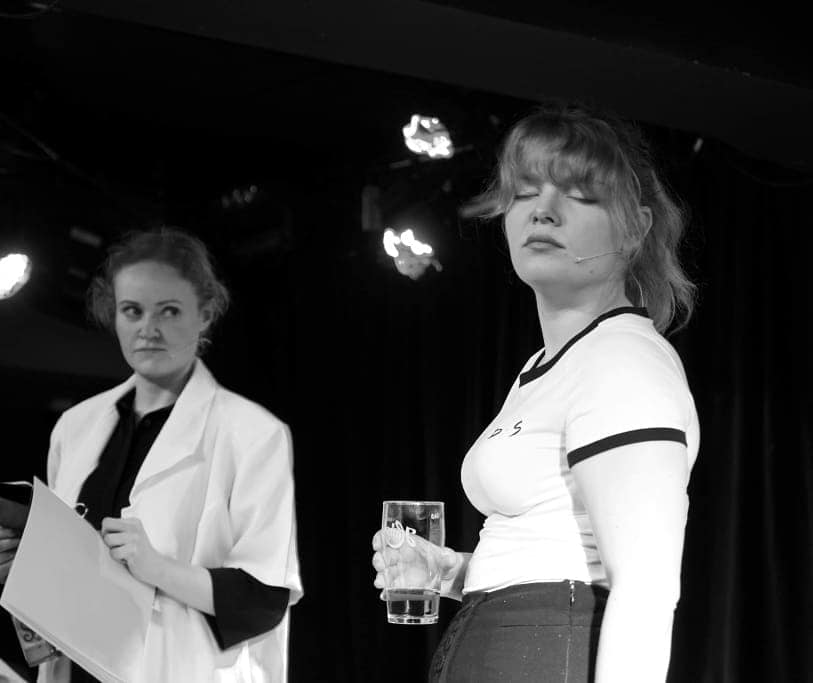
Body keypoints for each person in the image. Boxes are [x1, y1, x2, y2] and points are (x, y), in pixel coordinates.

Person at [372, 101, 699, 682]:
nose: (543, 210)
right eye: (525, 191)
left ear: (635, 228)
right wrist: (450, 572)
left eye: (578, 195)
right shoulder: (545, 366)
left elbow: (646, 589)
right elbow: (546, 558)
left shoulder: (623, 360)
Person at [20, 228, 302, 682]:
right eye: (132, 311)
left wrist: (157, 569)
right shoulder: (75, 427)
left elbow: (262, 598)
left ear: (204, 315)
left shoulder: (253, 434)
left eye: (169, 311)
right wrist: (25, 563)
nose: (148, 330)